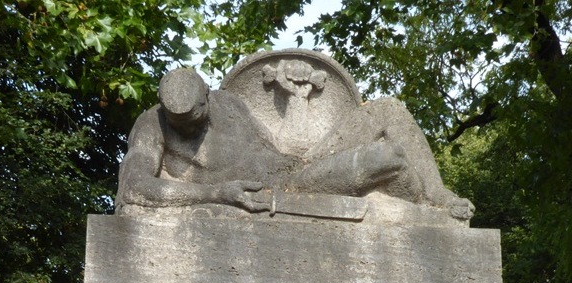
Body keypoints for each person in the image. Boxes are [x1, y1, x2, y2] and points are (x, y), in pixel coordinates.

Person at [116, 67, 471, 220]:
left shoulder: (228, 103)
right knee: (389, 159)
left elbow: (271, 143)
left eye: (196, 115)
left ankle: (437, 195)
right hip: (288, 188)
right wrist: (217, 193)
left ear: (206, 96)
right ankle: (420, 206)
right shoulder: (151, 125)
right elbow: (134, 186)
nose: (190, 125)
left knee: (388, 110)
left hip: (300, 167)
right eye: (180, 122)